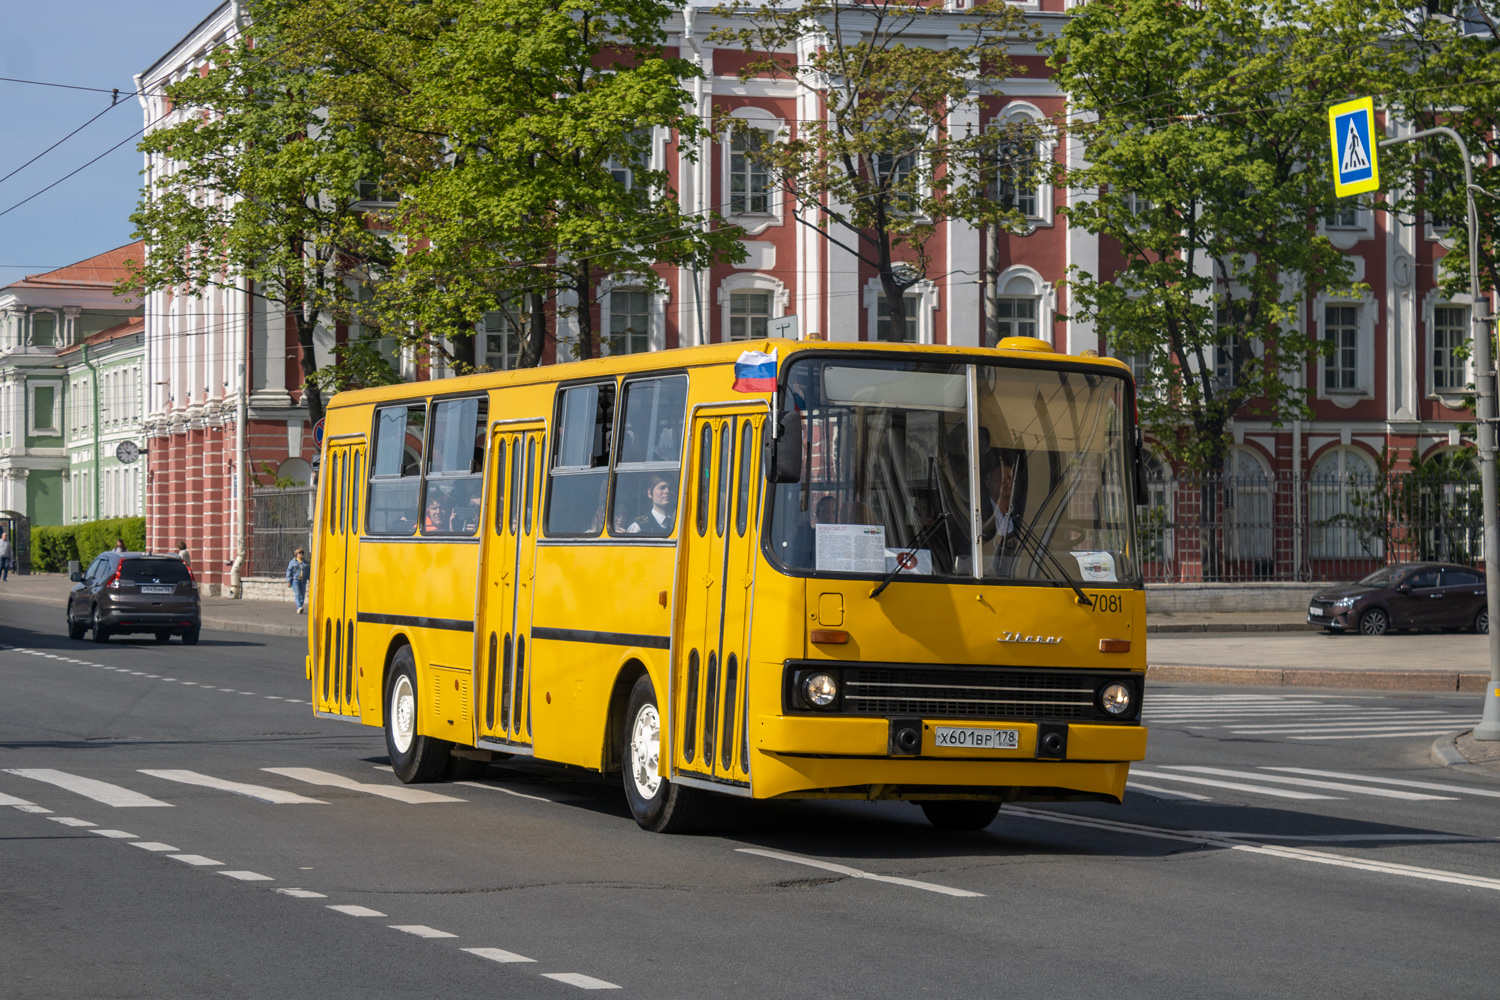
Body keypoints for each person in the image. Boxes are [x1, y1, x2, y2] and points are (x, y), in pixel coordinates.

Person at [286, 547, 310, 613]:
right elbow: (289, 571)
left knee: (302, 595)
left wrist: (310, 579)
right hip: (296, 581)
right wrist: (289, 581)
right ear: (296, 554)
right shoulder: (293, 562)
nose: (301, 554)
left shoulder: (305, 563)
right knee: (298, 593)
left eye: (302, 553)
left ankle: (300, 607)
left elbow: (309, 572)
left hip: (303, 581)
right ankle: (299, 606)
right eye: (299, 553)